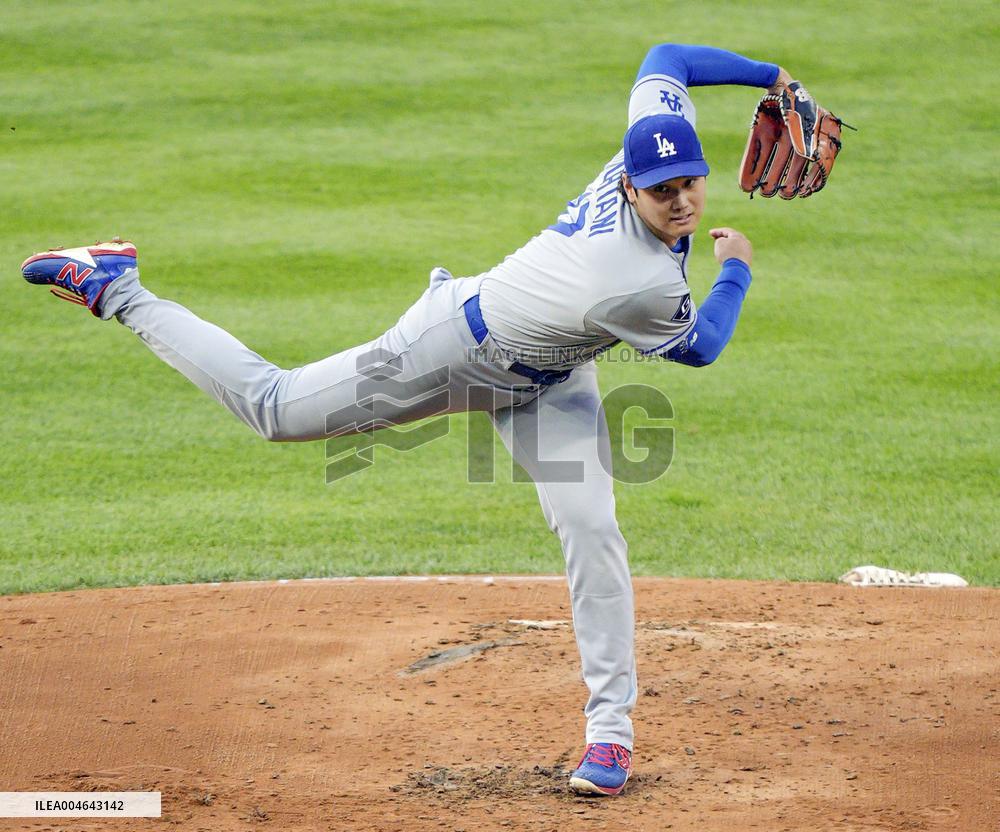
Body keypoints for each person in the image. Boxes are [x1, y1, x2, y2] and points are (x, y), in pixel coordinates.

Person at [22, 43, 796, 797]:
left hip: (552, 379)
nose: (682, 202)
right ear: (629, 186)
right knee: (276, 409)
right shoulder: (633, 279)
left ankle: (610, 735)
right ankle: (116, 285)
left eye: (690, 183)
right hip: (452, 348)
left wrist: (773, 76)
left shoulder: (647, 145)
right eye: (663, 192)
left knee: (592, 527)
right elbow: (702, 347)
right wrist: (736, 266)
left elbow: (666, 60)